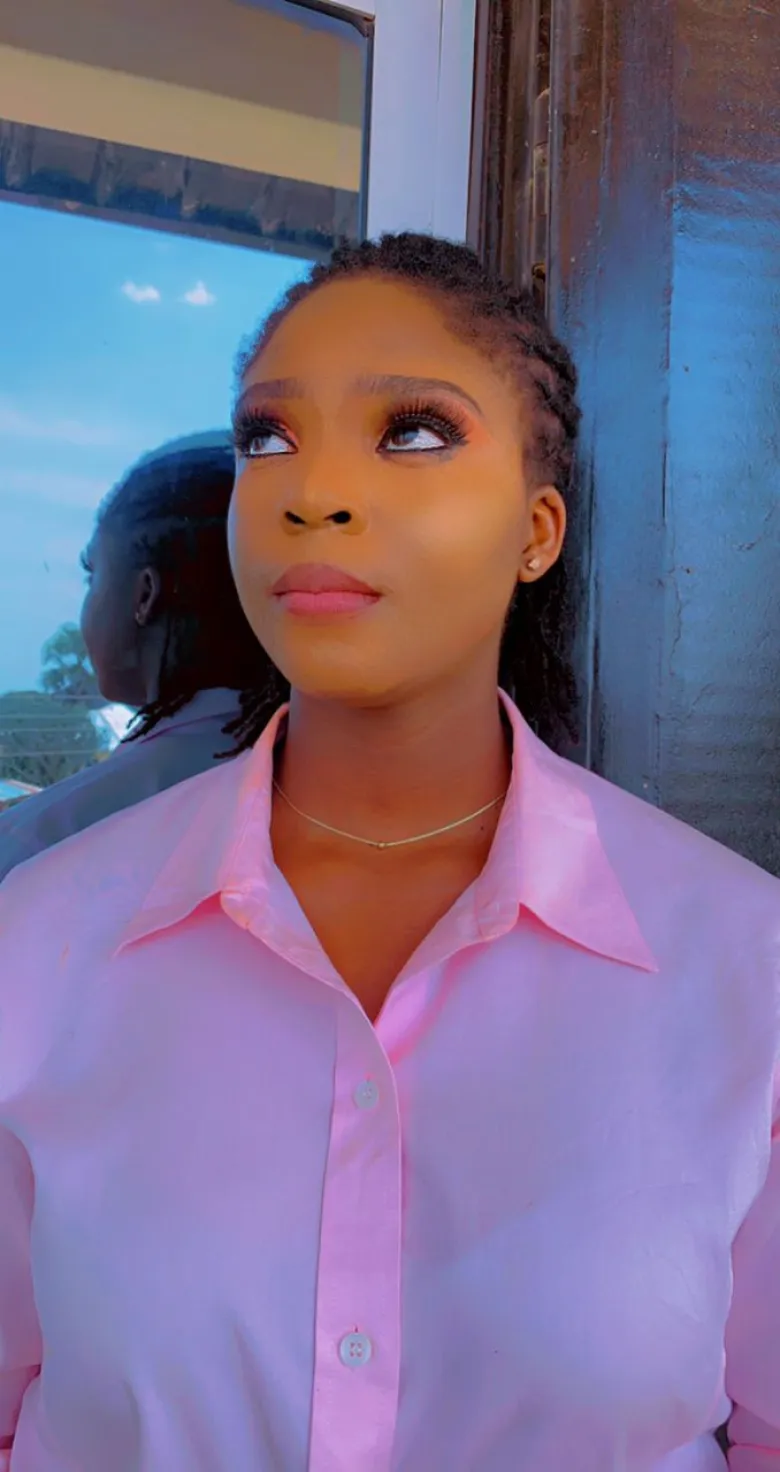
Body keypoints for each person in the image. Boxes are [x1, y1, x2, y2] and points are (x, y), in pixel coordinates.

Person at [0, 233, 777, 1472]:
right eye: (268, 437)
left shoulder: (744, 963)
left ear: (537, 530)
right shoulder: (36, 944)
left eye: (412, 431)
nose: (314, 490)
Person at [0, 432, 276, 883]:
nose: (85, 605)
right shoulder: (331, 790)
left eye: (91, 575)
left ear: (145, 594)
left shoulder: (38, 844)